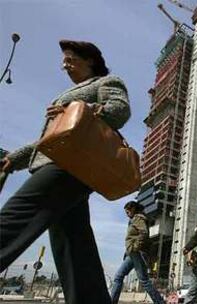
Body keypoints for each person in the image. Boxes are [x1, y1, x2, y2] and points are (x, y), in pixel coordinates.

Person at [0, 39, 131, 304]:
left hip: (69, 167)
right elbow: (49, 141)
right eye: (63, 63)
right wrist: (13, 160)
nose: (65, 65)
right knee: (74, 250)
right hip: (61, 165)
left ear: (90, 60)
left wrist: (78, 109)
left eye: (70, 59)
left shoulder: (106, 82)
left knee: (15, 219)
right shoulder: (67, 95)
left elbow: (120, 111)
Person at [110, 201, 165, 304]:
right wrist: (129, 251)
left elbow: (144, 233)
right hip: (132, 254)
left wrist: (135, 247)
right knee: (118, 276)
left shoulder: (138, 218)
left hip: (137, 253)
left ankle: (160, 302)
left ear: (133, 209)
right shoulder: (133, 220)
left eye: (127, 212)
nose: (127, 214)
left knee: (144, 280)